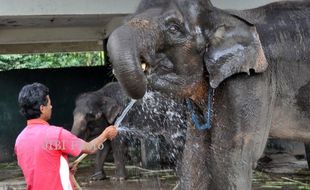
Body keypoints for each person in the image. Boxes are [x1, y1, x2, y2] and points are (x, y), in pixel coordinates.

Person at [15, 82, 117, 190]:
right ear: (42, 108)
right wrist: (105, 134)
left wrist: (63, 168)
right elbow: (90, 148)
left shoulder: (19, 140)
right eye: (49, 103)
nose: (51, 106)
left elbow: (38, 167)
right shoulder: (56, 134)